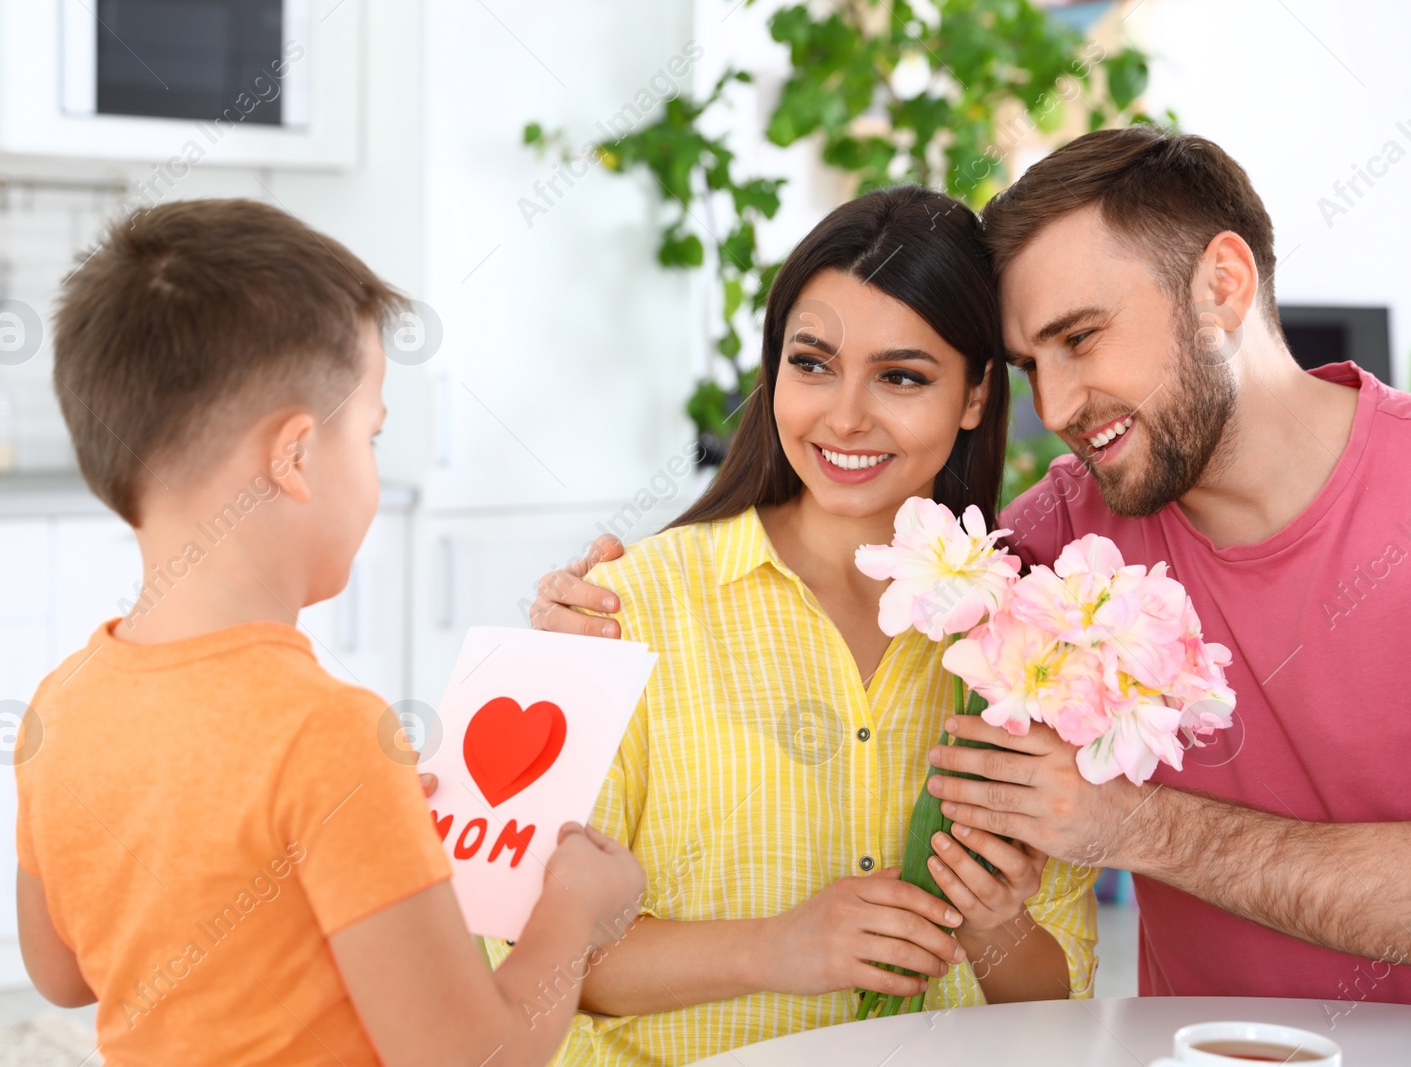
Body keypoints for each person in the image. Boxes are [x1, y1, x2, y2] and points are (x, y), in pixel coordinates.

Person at [535, 127, 1411, 1005]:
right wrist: (568, 640)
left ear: (1223, 284)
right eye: (1033, 362)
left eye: (1082, 336)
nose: (1058, 407)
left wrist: (1135, 828)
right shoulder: (1045, 557)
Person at [15, 199, 645, 1066]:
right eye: (373, 435)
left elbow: (61, 973)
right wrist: (574, 912)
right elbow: (475, 1057)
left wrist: (367, 842)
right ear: (296, 455)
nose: (376, 468)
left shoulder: (63, 702)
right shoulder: (329, 736)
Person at [494, 185, 1098, 1067]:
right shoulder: (626, 607)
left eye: (901, 376)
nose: (845, 415)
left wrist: (994, 923)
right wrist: (776, 948)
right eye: (812, 363)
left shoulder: (1029, 645)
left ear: (974, 396)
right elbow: (530, 962)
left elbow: (1064, 1002)